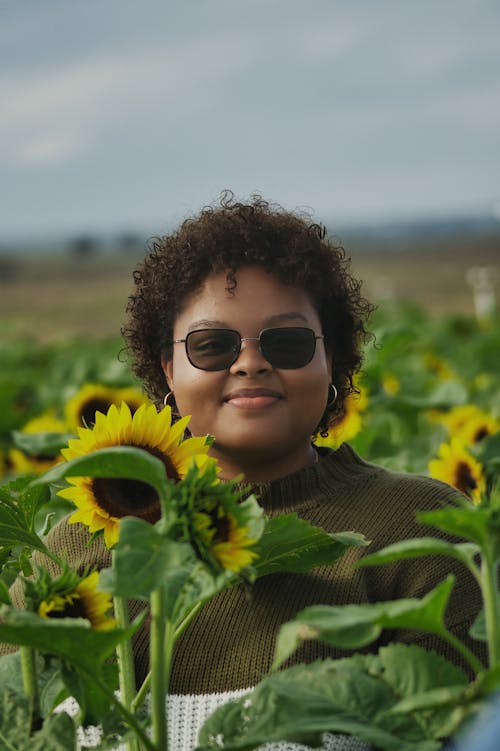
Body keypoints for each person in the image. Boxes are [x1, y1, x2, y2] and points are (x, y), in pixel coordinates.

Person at [1, 193, 485, 749]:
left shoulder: (419, 527)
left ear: (335, 359)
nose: (250, 361)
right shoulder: (74, 551)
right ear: (168, 369)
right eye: (212, 345)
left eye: (288, 342)